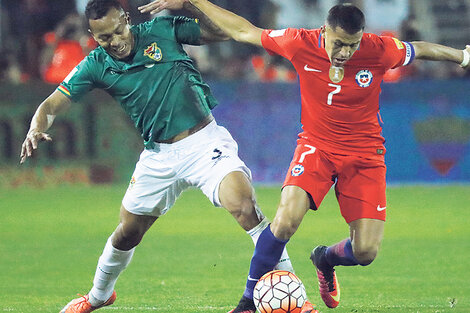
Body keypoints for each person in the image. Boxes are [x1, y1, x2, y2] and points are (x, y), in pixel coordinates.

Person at [147, 0, 470, 312]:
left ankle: (325, 259)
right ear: (325, 32)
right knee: (286, 221)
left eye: (352, 45)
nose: (345, 52)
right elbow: (244, 31)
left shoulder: (380, 49)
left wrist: (462, 56)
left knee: (366, 251)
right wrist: (196, 1)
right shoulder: (299, 42)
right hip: (317, 147)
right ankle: (248, 301)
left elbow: (421, 48)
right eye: (340, 44)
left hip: (364, 155)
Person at [19, 0, 306, 312]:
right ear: (92, 34)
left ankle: (293, 296)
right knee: (127, 232)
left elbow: (221, 31)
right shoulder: (96, 65)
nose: (115, 41)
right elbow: (50, 104)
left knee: (244, 205)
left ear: (126, 18)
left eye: (118, 30)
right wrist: (36, 127)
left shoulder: (161, 30)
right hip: (158, 157)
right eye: (104, 38)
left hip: (204, 144)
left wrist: (190, 4)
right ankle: (99, 295)